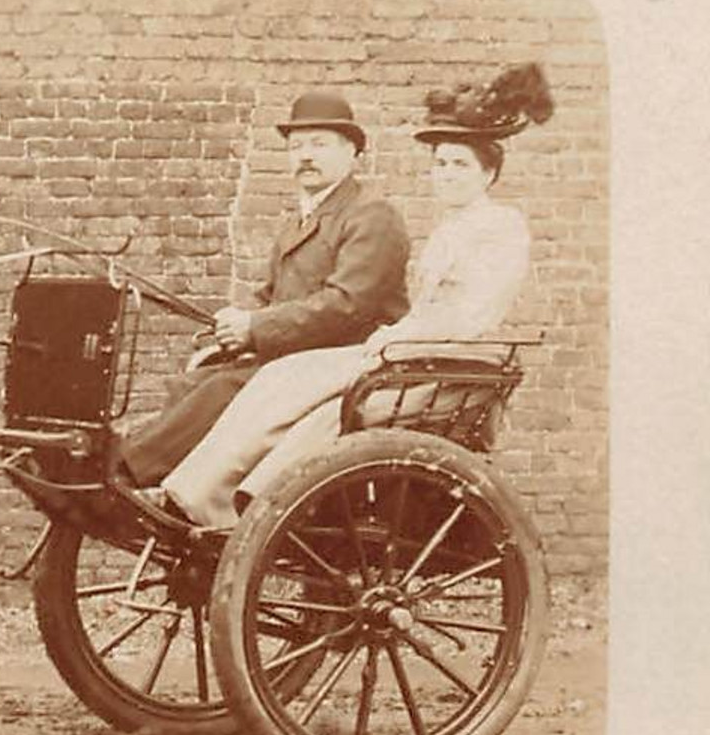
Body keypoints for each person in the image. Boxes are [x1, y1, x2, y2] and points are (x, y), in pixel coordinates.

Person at [159, 63, 556, 527]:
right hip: (411, 352)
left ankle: (254, 503)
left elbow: (470, 317)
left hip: (451, 366)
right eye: (440, 165)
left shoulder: (500, 227)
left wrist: (392, 342)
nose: (446, 175)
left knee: (327, 403)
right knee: (282, 377)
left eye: (461, 166)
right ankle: (205, 494)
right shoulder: (452, 228)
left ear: (489, 174)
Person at [118, 90, 411, 487]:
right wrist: (230, 331)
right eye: (296, 147)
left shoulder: (371, 215)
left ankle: (128, 471)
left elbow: (347, 304)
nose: (305, 156)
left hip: (344, 359)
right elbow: (272, 296)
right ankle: (162, 483)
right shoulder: (300, 220)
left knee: (224, 389)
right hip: (296, 353)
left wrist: (255, 327)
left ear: (352, 153)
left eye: (319, 144)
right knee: (196, 382)